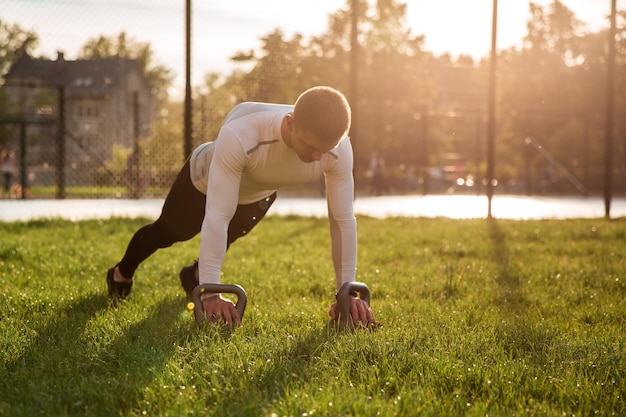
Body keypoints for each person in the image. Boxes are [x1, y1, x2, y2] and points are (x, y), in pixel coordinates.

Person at [107, 86, 376, 327]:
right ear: (290, 123)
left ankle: (194, 275)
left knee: (232, 233)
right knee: (171, 231)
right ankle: (121, 272)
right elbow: (217, 215)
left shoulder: (339, 149)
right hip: (203, 181)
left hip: (259, 193)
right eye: (311, 146)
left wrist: (346, 291)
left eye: (326, 148)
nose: (318, 157)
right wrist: (210, 293)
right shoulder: (242, 134)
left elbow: (342, 221)